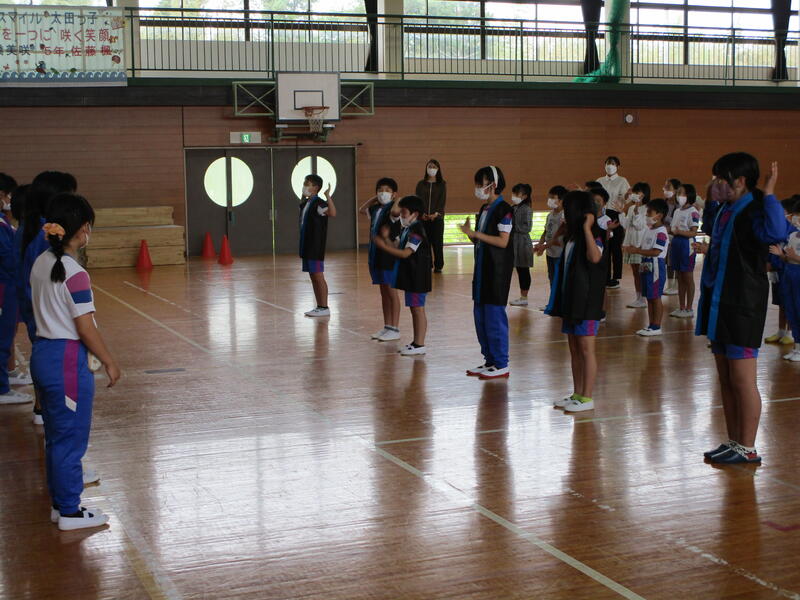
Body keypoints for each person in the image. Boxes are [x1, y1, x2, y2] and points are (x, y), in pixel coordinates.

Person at [30, 193, 120, 530]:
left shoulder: (41, 263)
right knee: (71, 439)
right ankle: (70, 510)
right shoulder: (74, 272)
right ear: (83, 229)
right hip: (66, 359)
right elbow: (85, 327)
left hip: (42, 354)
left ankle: (61, 503)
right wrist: (109, 360)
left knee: (56, 436)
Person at [695, 156, 788, 464]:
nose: (716, 183)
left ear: (741, 181)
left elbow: (776, 233)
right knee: (725, 377)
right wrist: (711, 199)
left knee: (742, 378)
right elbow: (710, 228)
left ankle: (747, 448)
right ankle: (734, 441)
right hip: (719, 300)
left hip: (742, 303)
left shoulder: (756, 208)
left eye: (721, 178)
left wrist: (770, 194)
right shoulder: (726, 207)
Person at [19, 171, 77, 425]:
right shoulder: (46, 234)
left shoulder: (30, 226)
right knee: (52, 354)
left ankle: (41, 405)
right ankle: (47, 406)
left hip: (32, 301)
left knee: (41, 350)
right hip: (42, 304)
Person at [545, 190, 607, 413]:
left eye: (567, 209)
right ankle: (577, 393)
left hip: (587, 304)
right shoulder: (572, 236)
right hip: (571, 302)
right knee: (574, 349)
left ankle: (587, 397)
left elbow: (595, 257)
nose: (564, 213)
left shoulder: (595, 234)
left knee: (586, 349)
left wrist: (588, 228)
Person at [460, 166, 514, 380]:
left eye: (480, 183)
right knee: (481, 318)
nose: (477, 187)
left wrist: (476, 234)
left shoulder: (504, 210)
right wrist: (470, 234)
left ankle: (501, 363)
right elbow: (481, 239)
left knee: (494, 318)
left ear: (493, 184)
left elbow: (503, 241)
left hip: (496, 272)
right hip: (482, 270)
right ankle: (489, 360)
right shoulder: (484, 209)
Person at [373, 196, 432, 356]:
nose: (401, 215)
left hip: (418, 277)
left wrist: (383, 246)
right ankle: (415, 342)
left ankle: (420, 344)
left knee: (418, 309)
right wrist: (386, 239)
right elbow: (397, 246)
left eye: (404, 212)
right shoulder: (407, 229)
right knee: (414, 309)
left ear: (415, 214)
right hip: (411, 277)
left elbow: (405, 253)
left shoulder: (417, 231)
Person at [360, 177, 401, 341]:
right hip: (376, 255)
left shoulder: (393, 210)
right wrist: (375, 197)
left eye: (387, 190)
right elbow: (362, 209)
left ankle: (395, 328)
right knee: (383, 292)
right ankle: (387, 326)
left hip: (388, 256)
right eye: (380, 190)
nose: (383, 193)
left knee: (391, 292)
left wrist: (396, 199)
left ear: (394, 194)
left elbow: (397, 212)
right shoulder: (375, 209)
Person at [0, 177, 30, 404]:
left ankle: (6, 377)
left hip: (9, 285)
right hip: (4, 286)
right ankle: (1, 389)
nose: (9, 199)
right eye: (7, 195)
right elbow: (9, 258)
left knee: (7, 335)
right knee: (2, 337)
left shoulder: (4, 221)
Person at [624, 198, 669, 337]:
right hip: (646, 265)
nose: (647, 215)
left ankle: (657, 325)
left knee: (655, 297)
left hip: (656, 266)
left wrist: (637, 251)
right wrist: (632, 248)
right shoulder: (649, 230)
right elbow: (644, 247)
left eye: (649, 212)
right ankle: (651, 325)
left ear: (659, 215)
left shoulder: (661, 232)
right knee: (650, 297)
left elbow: (656, 252)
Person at [299, 174, 336, 317]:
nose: (304, 186)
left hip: (315, 246)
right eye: (304, 183)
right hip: (306, 245)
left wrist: (327, 196)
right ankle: (319, 306)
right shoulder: (306, 203)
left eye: (307, 184)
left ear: (316, 187)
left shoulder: (319, 203)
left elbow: (332, 213)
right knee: (313, 276)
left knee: (318, 276)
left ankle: (324, 306)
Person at [764, 197, 799, 346]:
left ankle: (791, 333)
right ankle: (781, 331)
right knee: (781, 302)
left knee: (793, 304)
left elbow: (790, 254)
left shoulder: (792, 230)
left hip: (789, 271)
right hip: (779, 271)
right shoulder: (778, 228)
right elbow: (773, 248)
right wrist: (771, 263)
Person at [597, 156, 630, 289]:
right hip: (601, 214)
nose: (610, 166)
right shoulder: (599, 181)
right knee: (604, 245)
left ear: (617, 166)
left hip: (615, 214)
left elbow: (626, 199)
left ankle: (615, 277)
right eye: (608, 163)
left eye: (613, 164)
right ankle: (604, 276)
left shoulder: (622, 181)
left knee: (615, 246)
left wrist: (625, 198)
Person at [669, 184, 701, 318]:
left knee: (687, 276)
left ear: (689, 195)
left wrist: (679, 232)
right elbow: (673, 228)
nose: (678, 196)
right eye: (678, 193)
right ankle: (681, 307)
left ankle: (689, 308)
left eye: (681, 193)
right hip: (676, 243)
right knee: (679, 276)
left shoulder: (693, 211)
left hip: (686, 245)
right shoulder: (677, 211)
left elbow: (693, 232)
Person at [620, 182, 650, 309]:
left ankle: (644, 298)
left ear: (644, 194)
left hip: (640, 245)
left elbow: (640, 226)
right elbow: (626, 225)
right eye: (634, 192)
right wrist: (620, 212)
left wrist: (637, 211)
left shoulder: (648, 208)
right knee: (635, 273)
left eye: (638, 192)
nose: (635, 195)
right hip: (631, 243)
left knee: (642, 272)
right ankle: (638, 298)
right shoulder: (631, 208)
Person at [536, 185, 566, 310]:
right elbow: (545, 231)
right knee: (552, 278)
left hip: (560, 253)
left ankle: (561, 304)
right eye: (549, 197)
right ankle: (554, 303)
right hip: (550, 253)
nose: (550, 200)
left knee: (560, 279)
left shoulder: (564, 216)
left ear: (561, 200)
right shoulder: (550, 215)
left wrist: (544, 246)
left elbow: (558, 239)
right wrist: (540, 243)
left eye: (553, 197)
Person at [415, 159, 446, 273]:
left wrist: (436, 214)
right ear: (426, 168)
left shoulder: (442, 184)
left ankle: (439, 265)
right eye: (430, 166)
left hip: (437, 219)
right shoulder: (421, 184)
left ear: (438, 169)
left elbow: (442, 201)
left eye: (434, 167)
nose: (432, 169)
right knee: (425, 243)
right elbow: (417, 200)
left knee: (437, 243)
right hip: (423, 219)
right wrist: (421, 213)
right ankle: (427, 264)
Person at [509, 183, 533, 307]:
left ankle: (524, 297)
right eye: (513, 193)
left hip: (523, 243)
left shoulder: (527, 209)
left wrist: (512, 225)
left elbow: (527, 228)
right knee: (519, 269)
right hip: (514, 242)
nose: (513, 196)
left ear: (524, 196)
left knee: (523, 270)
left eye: (516, 194)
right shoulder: (513, 207)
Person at [662, 178, 681, 295]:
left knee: (675, 262)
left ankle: (677, 285)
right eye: (665, 187)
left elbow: (678, 223)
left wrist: (670, 226)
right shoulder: (663, 204)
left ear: (676, 190)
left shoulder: (679, 206)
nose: (665, 189)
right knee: (668, 263)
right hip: (665, 237)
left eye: (668, 187)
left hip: (675, 237)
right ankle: (669, 285)